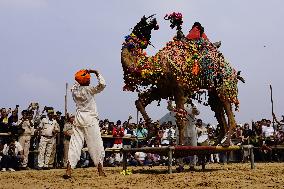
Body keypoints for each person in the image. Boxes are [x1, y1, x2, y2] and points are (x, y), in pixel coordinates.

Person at [64, 69, 106, 179]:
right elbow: (102, 85)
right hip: (90, 120)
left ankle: (69, 170)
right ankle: (100, 170)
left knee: (75, 144)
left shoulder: (74, 90)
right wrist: (97, 73)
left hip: (78, 119)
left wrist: (83, 73)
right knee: (96, 145)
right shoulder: (89, 89)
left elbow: (77, 81)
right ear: (87, 81)